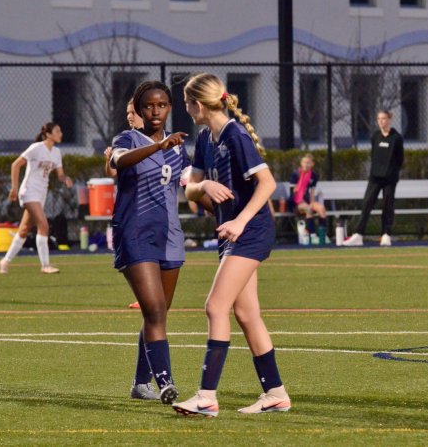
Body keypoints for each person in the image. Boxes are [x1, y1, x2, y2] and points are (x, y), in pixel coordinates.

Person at [172, 73, 291, 417]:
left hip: (250, 231)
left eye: (185, 103)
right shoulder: (206, 138)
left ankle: (206, 397)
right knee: (246, 312)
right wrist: (205, 184)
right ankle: (276, 393)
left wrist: (240, 220)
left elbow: (267, 183)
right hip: (230, 233)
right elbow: (189, 190)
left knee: (214, 306)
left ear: (198, 104)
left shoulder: (235, 135)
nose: (185, 109)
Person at [108, 80, 189, 404]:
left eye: (162, 105)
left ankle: (141, 384)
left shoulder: (180, 145)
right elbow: (117, 162)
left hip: (169, 235)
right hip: (135, 233)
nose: (155, 111)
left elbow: (185, 185)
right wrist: (158, 146)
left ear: (169, 108)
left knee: (159, 313)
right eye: (148, 106)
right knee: (154, 309)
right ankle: (166, 382)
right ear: (139, 110)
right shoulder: (127, 138)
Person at [0, 122, 73, 275]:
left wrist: (65, 179)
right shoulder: (36, 148)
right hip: (29, 191)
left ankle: (4, 261)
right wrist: (14, 187)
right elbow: (15, 165)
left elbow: (59, 174)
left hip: (41, 194)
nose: (61, 134)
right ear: (48, 134)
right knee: (44, 225)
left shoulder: (56, 152)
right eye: (57, 131)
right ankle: (45, 265)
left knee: (24, 230)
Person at [343, 110, 404, 247]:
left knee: (387, 206)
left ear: (389, 120)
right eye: (379, 119)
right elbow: (374, 155)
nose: (381, 121)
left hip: (390, 178)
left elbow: (400, 159)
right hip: (375, 177)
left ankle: (386, 235)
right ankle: (358, 235)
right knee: (367, 204)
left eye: (384, 118)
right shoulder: (375, 136)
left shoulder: (396, 138)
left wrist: (391, 172)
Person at [289, 154, 329, 242]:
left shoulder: (314, 176)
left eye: (308, 163)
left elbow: (312, 191)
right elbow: (294, 193)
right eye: (304, 162)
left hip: (307, 201)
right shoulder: (295, 175)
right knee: (308, 209)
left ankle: (323, 235)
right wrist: (305, 204)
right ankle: (312, 235)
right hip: (296, 203)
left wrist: (311, 203)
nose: (306, 165)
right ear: (301, 163)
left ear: (312, 164)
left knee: (321, 208)